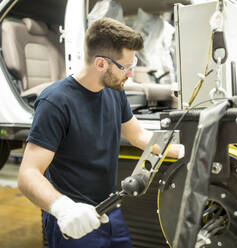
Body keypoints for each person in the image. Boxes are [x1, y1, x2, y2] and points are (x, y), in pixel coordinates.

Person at [17, 17, 184, 248]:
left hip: (110, 211)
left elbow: (138, 136)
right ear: (100, 64)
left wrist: (187, 152)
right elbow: (28, 174)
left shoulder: (114, 92)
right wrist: (63, 208)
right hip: (75, 218)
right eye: (126, 67)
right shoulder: (55, 102)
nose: (130, 74)